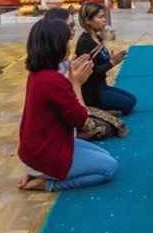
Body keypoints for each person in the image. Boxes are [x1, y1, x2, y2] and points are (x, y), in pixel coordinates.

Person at [17, 19, 118, 192]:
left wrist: (71, 79)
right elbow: (81, 120)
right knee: (109, 167)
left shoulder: (38, 74)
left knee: (105, 155)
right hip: (45, 154)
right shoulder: (53, 80)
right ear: (55, 46)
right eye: (66, 42)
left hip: (36, 151)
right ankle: (49, 183)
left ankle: (36, 172)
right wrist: (76, 84)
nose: (70, 47)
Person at [75, 1, 137, 115]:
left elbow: (102, 61)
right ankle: (96, 108)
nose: (104, 20)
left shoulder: (97, 37)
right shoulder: (85, 42)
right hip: (92, 91)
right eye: (100, 17)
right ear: (88, 21)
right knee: (128, 104)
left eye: (104, 16)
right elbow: (91, 71)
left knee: (132, 99)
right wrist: (112, 63)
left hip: (101, 86)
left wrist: (112, 59)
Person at [44, 7, 76, 75]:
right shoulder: (50, 57)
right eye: (71, 26)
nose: (74, 29)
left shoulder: (62, 49)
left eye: (73, 25)